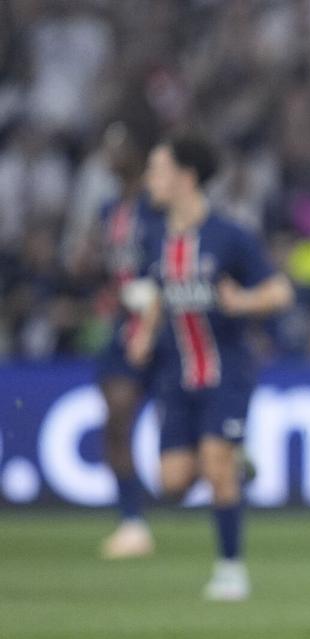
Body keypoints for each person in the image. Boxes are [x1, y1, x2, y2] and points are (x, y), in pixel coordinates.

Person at [126, 134, 294, 601]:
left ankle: (230, 570)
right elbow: (158, 290)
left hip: (227, 371)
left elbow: (281, 292)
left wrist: (243, 301)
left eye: (157, 169)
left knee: (215, 465)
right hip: (175, 376)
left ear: (186, 176)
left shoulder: (229, 235)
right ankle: (233, 464)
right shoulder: (155, 235)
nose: (149, 179)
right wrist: (143, 332)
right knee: (173, 482)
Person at [80, 126, 165, 559]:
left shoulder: (158, 207)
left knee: (186, 443)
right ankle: (132, 522)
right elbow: (99, 268)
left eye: (118, 147)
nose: (109, 156)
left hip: (168, 326)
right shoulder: (108, 210)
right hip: (123, 326)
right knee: (117, 418)